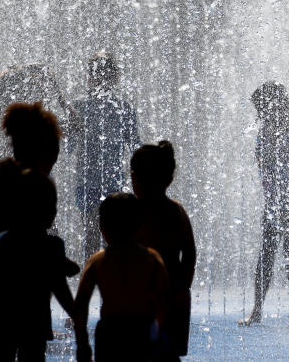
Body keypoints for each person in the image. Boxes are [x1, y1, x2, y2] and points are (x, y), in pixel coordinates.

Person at [0, 102, 68, 296]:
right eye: (53, 155)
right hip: (26, 279)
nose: (54, 162)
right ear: (39, 153)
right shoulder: (40, 185)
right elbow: (38, 234)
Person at [0, 170, 75, 361]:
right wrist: (77, 315)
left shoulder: (2, 241)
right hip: (35, 325)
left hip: (3, 322)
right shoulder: (52, 245)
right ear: (51, 213)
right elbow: (60, 287)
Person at [238, 82, 289, 328]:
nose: (261, 112)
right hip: (275, 202)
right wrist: (273, 204)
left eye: (263, 107)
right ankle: (257, 311)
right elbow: (265, 175)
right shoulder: (263, 135)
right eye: (260, 109)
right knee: (266, 256)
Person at [74, 192, 170, 362]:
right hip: (142, 329)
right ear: (141, 225)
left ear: (101, 227)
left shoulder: (97, 260)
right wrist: (162, 337)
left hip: (110, 332)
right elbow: (164, 301)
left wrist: (82, 343)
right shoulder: (152, 259)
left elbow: (81, 305)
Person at [66, 52, 140, 260]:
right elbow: (67, 146)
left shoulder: (124, 109)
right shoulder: (79, 107)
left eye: (105, 77)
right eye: (98, 76)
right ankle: (97, 276)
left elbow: (135, 147)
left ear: (114, 79)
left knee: (103, 234)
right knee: (95, 232)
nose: (101, 81)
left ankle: (100, 276)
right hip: (92, 183)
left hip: (111, 184)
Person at [132, 141, 197, 360]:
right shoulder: (176, 211)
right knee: (168, 355)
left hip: (140, 298)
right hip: (173, 295)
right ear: (169, 179)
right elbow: (190, 253)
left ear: (134, 177)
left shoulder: (133, 213)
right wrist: (183, 288)